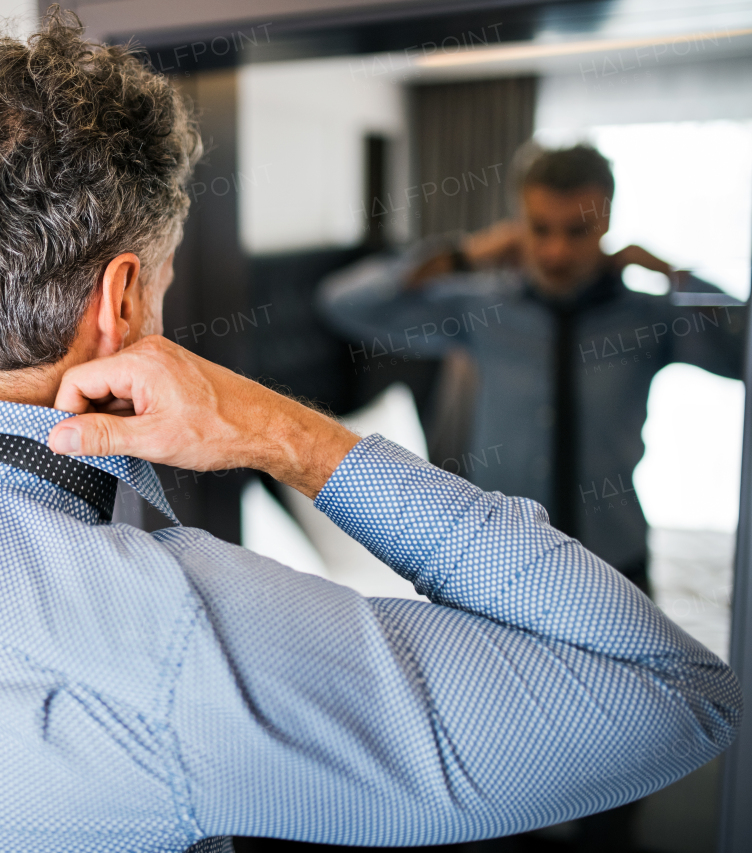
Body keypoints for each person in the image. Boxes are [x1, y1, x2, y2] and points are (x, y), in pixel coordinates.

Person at [0, 15, 739, 853]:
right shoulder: (174, 639)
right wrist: (279, 434)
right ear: (119, 302)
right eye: (156, 281)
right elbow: (671, 695)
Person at [317, 144, 745, 598]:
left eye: (578, 231)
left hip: (616, 566)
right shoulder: (482, 308)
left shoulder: (651, 318)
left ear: (607, 222)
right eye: (540, 229)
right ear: (519, 222)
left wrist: (675, 276)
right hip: (501, 566)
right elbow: (344, 304)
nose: (556, 252)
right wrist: (462, 256)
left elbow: (742, 354)